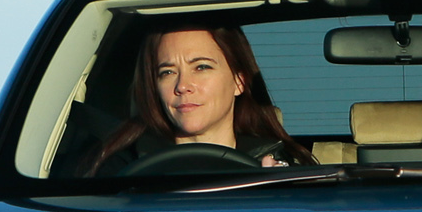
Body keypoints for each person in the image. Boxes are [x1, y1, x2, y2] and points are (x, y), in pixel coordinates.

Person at [87, 21, 313, 173]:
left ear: (239, 82)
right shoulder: (120, 170)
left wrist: (276, 195)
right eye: (167, 72)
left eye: (201, 67)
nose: (183, 86)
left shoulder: (284, 170)